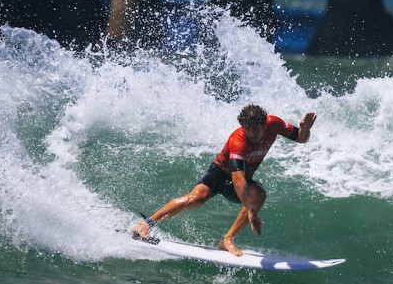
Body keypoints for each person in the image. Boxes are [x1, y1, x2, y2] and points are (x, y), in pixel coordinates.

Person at [132, 104, 317, 256]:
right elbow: (237, 179)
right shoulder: (238, 140)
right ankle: (145, 224)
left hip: (242, 177)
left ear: (264, 125)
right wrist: (251, 210)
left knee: (260, 194)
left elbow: (301, 139)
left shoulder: (274, 124)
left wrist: (305, 129)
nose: (252, 133)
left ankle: (226, 240)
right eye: (248, 129)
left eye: (256, 129)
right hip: (220, 173)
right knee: (195, 198)